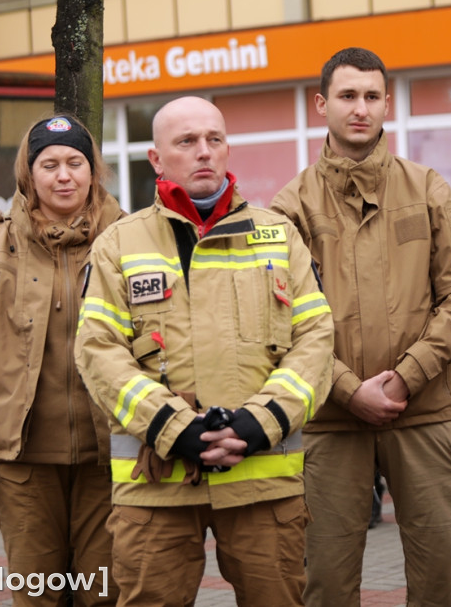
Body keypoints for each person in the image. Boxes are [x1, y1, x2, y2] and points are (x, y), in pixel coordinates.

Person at [75, 96, 334, 606]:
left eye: (214, 140)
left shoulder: (278, 236)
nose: (204, 152)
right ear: (156, 158)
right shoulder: (118, 245)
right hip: (158, 484)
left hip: (262, 481)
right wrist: (175, 428)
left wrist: (259, 424)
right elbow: (99, 353)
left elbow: (316, 342)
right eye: (187, 142)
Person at [271, 47, 451, 607]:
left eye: (371, 96)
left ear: (387, 104)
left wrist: (407, 376)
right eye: (347, 96)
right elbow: (280, 317)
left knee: (439, 586)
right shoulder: (289, 207)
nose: (359, 109)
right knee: (326, 587)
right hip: (328, 422)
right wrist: (346, 388)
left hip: (426, 413)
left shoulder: (429, 189)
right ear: (322, 105)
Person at [0, 114, 123, 606]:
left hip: (108, 463)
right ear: (29, 174)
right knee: (38, 597)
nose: (63, 175)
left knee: (104, 595)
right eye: (49, 164)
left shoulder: (128, 242)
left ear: (93, 171)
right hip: (22, 469)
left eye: (75, 162)